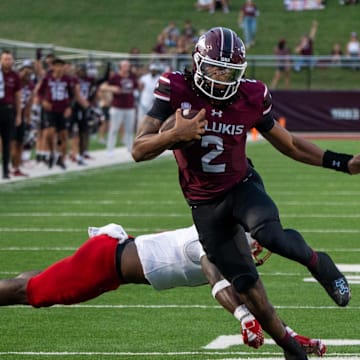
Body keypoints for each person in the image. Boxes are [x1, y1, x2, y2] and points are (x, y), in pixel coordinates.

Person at [132, 27, 360, 358]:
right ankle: (290, 348)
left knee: (270, 235)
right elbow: (139, 149)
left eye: (230, 71)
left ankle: (318, 262)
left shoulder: (250, 95)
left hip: (242, 186)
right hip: (204, 204)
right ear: (198, 63)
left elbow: (291, 144)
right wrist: (172, 136)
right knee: (248, 287)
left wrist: (344, 163)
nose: (223, 77)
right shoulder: (175, 88)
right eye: (215, 68)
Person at [0, 223, 325, 356]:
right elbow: (214, 277)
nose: (257, 253)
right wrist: (242, 317)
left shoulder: (228, 242)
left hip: (112, 263)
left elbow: (257, 303)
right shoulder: (214, 238)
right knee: (34, 294)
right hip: (104, 263)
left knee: (39, 283)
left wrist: (291, 336)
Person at [36, 58, 90, 169]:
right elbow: (39, 92)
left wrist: (69, 107)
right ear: (53, 67)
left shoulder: (67, 80)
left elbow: (72, 95)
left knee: (63, 136)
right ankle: (52, 153)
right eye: (57, 66)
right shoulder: (47, 78)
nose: (60, 68)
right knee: (50, 133)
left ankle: (61, 158)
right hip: (51, 109)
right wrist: (43, 101)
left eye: (61, 66)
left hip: (63, 110)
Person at [100, 60, 138, 155]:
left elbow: (136, 88)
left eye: (128, 66)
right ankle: (110, 149)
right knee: (114, 128)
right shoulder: (115, 77)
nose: (127, 68)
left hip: (130, 106)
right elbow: (103, 87)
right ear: (120, 67)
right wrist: (112, 88)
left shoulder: (132, 77)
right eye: (125, 66)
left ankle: (130, 148)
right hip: (117, 107)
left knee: (129, 129)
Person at [11, 60, 35, 177]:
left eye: (30, 69)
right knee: (4, 143)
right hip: (10, 114)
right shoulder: (14, 82)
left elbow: (28, 104)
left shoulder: (30, 85)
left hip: (21, 117)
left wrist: (28, 120)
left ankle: (16, 168)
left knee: (19, 142)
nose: (28, 72)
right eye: (25, 69)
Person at [0, 51, 22, 179]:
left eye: (9, 59)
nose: (8, 61)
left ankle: (5, 170)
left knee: (7, 141)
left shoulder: (15, 76)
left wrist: (18, 114)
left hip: (8, 110)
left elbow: (18, 96)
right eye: (5, 59)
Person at [137, 63, 162, 130]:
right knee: (141, 119)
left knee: (152, 120)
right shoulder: (144, 78)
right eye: (152, 70)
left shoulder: (159, 78)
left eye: (154, 70)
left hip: (154, 102)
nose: (153, 71)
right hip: (144, 102)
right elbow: (140, 89)